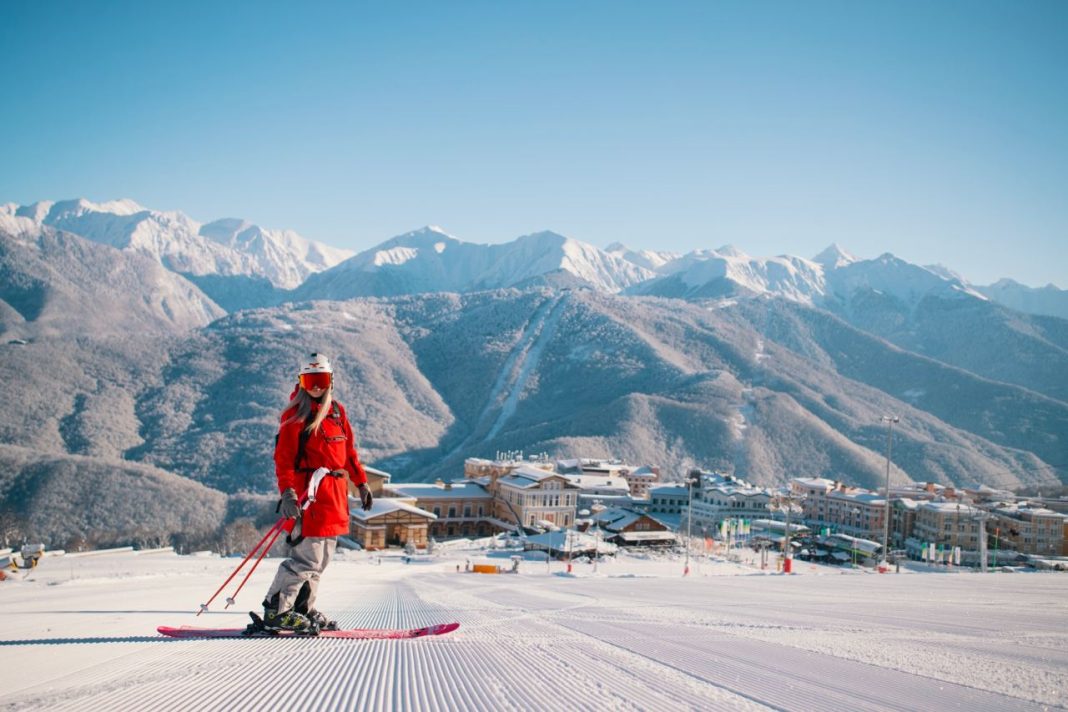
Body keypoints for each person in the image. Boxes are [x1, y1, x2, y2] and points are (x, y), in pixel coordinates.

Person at [261, 353, 374, 632]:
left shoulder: (337, 412)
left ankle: (302, 609)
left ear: (330, 381)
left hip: (334, 497)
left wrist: (361, 483)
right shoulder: (294, 415)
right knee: (306, 558)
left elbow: (348, 453)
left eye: (321, 380)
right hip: (308, 497)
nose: (315, 386)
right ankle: (277, 610)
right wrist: (287, 493)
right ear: (300, 382)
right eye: (309, 380)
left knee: (321, 560)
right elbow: (284, 459)